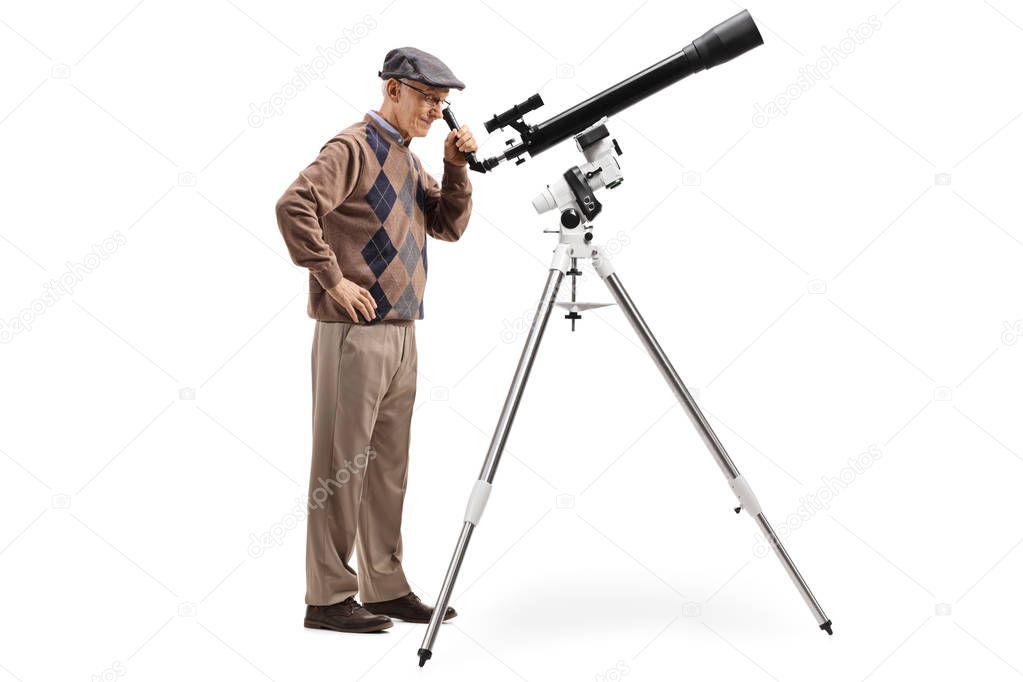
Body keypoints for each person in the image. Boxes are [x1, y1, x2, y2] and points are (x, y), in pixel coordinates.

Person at [275, 46, 478, 633]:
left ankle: (384, 585)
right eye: (428, 100)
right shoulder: (353, 147)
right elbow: (294, 206)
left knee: (389, 466)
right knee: (341, 465)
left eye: (443, 104)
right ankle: (328, 597)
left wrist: (456, 167)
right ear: (394, 89)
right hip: (355, 335)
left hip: (403, 332)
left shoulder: (410, 161)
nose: (435, 111)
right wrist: (332, 279)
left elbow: (447, 226)